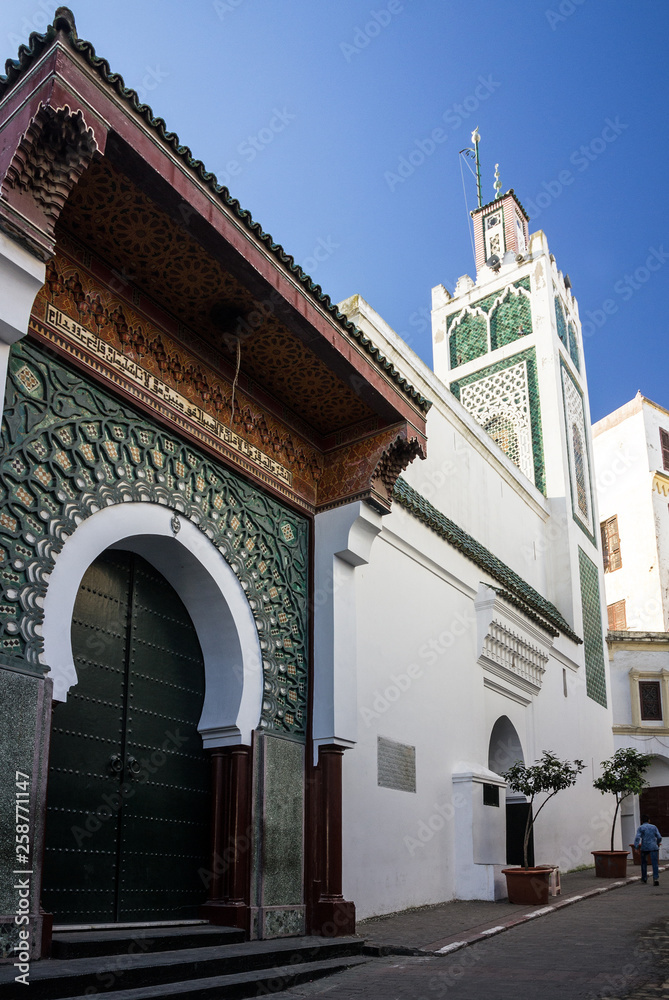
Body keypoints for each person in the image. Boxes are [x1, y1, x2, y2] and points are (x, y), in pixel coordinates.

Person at [634, 814, 662, 885]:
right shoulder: (654, 827)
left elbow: (637, 837)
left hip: (644, 847)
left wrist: (636, 847)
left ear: (641, 821)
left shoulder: (640, 828)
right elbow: (659, 837)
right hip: (653, 847)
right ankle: (655, 878)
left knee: (644, 863)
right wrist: (657, 843)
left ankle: (644, 878)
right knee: (655, 863)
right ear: (649, 820)